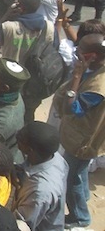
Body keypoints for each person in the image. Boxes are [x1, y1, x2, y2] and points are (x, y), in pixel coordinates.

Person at [53, 33, 105, 229]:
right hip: (78, 135)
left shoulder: (98, 86)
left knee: (72, 175)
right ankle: (83, 195)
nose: (76, 53)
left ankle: (80, 217)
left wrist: (76, 75)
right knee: (80, 170)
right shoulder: (96, 69)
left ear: (90, 56)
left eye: (80, 51)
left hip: (82, 140)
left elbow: (71, 107)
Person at [14, 121, 68, 231]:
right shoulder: (53, 157)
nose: (17, 135)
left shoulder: (41, 191)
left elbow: (22, 223)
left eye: (21, 139)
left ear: (30, 150)